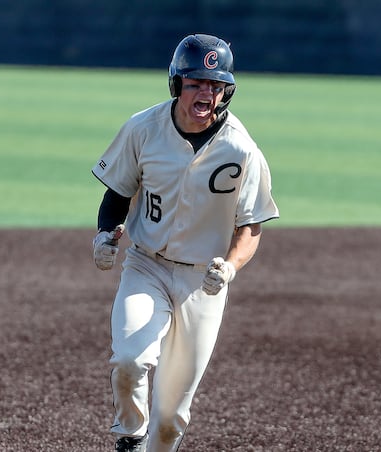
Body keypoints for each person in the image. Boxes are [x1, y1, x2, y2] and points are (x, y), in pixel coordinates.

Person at [90, 33, 279, 452]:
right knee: (130, 359)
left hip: (202, 283)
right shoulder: (144, 129)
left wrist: (229, 266)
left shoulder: (241, 148)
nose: (205, 92)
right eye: (195, 82)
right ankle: (128, 437)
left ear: (227, 90)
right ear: (177, 84)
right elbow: (117, 193)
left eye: (215, 84)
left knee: (173, 419)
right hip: (147, 265)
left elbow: (251, 226)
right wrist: (105, 232)